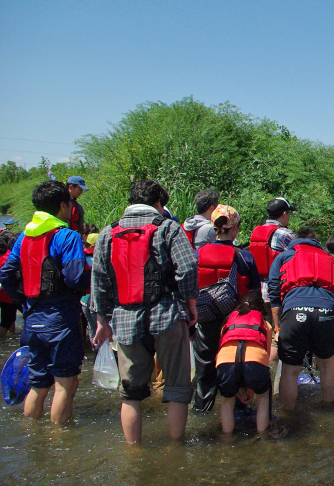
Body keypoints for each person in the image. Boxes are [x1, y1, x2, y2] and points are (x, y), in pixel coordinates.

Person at [91, 179, 198, 443]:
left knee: (130, 393)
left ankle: (133, 452)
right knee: (176, 387)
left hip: (126, 319)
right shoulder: (169, 228)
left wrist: (102, 320)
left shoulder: (108, 233)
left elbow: (100, 281)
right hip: (168, 315)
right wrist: (191, 304)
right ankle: (176, 448)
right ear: (159, 202)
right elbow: (187, 269)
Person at [0, 180, 88, 424]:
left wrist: (23, 300)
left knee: (38, 383)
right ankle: (59, 442)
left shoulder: (25, 237)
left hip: (32, 319)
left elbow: (6, 273)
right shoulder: (67, 236)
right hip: (61, 318)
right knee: (65, 384)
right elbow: (75, 276)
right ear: (63, 205)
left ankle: (33, 436)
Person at [193, 205, 261, 412]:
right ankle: (238, 410)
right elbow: (255, 290)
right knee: (235, 364)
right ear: (234, 228)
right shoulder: (244, 256)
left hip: (205, 317)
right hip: (235, 320)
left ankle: (202, 408)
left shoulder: (198, 254)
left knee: (205, 365)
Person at [268, 227, 334, 409]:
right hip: (326, 312)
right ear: (316, 241)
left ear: (295, 241)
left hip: (295, 311)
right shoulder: (330, 259)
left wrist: (278, 327)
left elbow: (274, 295)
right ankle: (329, 410)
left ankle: (288, 414)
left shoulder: (284, 257)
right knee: (327, 364)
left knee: (290, 369)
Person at [217, 290, 273, 434]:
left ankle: (227, 439)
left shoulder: (227, 321)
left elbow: (224, 351)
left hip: (225, 364)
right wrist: (252, 391)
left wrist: (239, 392)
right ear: (261, 308)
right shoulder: (265, 324)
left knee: (226, 401)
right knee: (263, 398)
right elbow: (263, 358)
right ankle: (262, 436)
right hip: (254, 363)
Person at [249, 197, 297, 304]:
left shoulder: (256, 231)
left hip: (257, 292)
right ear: (284, 214)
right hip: (278, 291)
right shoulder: (286, 234)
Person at [0, 230, 19, 338]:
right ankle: (4, 342)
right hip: (9, 294)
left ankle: (11, 337)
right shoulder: (9, 256)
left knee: (10, 319)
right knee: (6, 322)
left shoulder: (4, 256)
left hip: (4, 293)